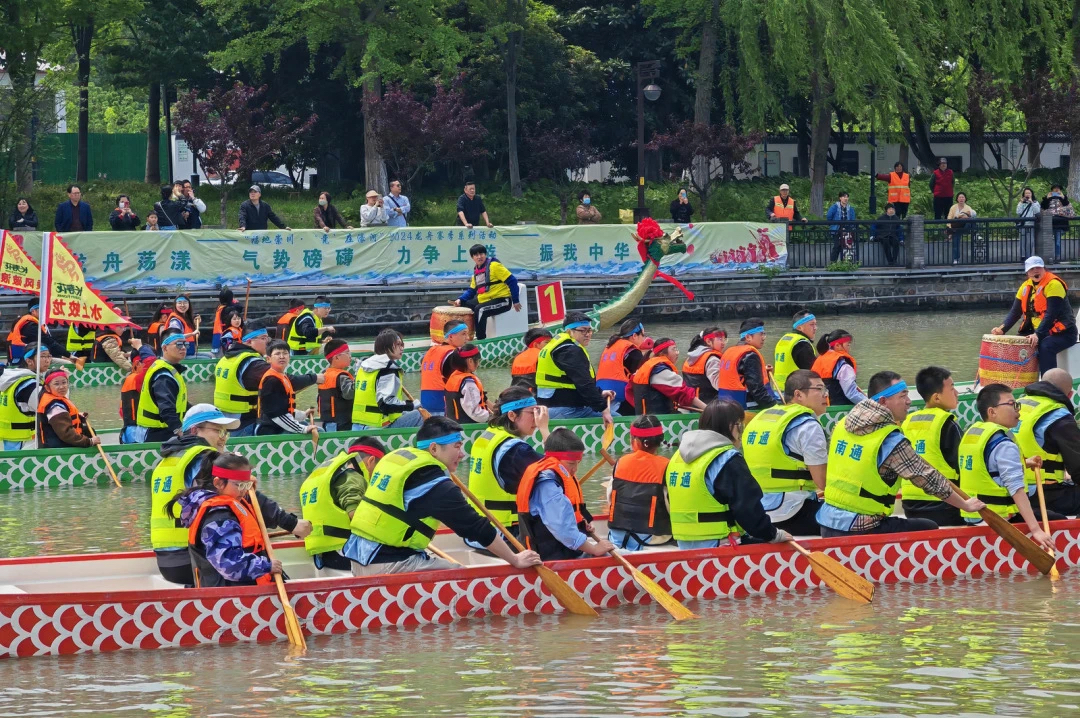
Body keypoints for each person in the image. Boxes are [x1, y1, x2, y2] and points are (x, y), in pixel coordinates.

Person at [343, 416, 542, 575]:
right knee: (463, 578)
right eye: (457, 446)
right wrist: (515, 559)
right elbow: (475, 527)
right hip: (387, 563)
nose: (462, 454)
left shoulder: (396, 458)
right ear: (434, 449)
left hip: (358, 559)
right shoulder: (434, 483)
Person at [816, 371, 986, 536]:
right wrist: (965, 505)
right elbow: (928, 479)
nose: (909, 402)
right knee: (929, 527)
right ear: (883, 401)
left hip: (826, 523)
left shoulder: (841, 424)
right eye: (903, 396)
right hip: (861, 527)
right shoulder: (889, 439)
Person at [667, 399, 792, 548]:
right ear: (729, 426)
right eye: (740, 425)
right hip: (722, 545)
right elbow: (747, 508)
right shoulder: (727, 459)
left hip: (685, 545)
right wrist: (772, 534)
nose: (741, 432)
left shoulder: (677, 457)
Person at [170, 453, 305, 588]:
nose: (244, 491)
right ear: (218, 483)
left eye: (247, 485)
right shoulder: (219, 517)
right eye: (239, 485)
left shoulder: (230, 501)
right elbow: (229, 564)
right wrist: (266, 566)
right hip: (227, 594)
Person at [150, 404, 241, 583]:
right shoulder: (204, 458)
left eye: (225, 432)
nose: (223, 438)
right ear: (194, 430)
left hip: (167, 561)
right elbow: (229, 500)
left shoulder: (168, 459)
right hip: (192, 559)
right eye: (218, 431)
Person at [959, 384, 1056, 550]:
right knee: (1057, 518)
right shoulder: (1004, 444)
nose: (1018, 410)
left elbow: (987, 468)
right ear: (992, 412)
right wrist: (1036, 530)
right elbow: (1016, 489)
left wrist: (1025, 463)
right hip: (999, 519)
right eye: (1012, 404)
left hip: (974, 516)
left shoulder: (974, 433)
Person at [742, 370, 829, 536]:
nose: (825, 395)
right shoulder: (808, 426)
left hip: (756, 511)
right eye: (819, 389)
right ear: (798, 394)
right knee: (854, 517)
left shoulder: (762, 417)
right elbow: (823, 482)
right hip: (790, 512)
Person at [466, 386, 549, 541]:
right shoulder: (515, 450)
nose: (537, 419)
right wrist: (544, 430)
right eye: (532, 413)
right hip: (503, 532)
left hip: (477, 528)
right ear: (512, 415)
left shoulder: (488, 435)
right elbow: (557, 471)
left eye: (538, 412)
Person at [515, 427, 612, 560]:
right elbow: (562, 528)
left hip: (565, 550)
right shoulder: (548, 484)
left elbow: (569, 512)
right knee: (609, 554)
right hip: (552, 556)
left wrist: (583, 521)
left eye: (578, 463)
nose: (575, 469)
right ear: (555, 459)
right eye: (571, 463)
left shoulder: (559, 474)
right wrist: (594, 549)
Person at [299, 437, 387, 571]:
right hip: (343, 554)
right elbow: (354, 514)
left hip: (323, 554)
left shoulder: (333, 476)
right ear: (371, 461)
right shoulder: (354, 478)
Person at [214, 320, 311, 436]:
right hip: (244, 425)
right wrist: (315, 378)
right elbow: (288, 383)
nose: (268, 342)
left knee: (300, 421)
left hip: (226, 425)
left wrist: (300, 414)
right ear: (249, 342)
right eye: (263, 338)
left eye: (267, 338)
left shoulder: (226, 359)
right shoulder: (254, 364)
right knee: (308, 429)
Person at [900, 366, 964, 527]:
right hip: (944, 506)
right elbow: (964, 466)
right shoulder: (947, 423)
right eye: (952, 388)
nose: (957, 393)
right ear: (936, 397)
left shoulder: (907, 422)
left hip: (909, 506)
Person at [991, 255, 1078, 374]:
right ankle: (1020, 379)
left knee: (1046, 345)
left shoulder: (1054, 284)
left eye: (1038, 267)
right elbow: (1015, 312)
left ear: (1044, 268)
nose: (1036, 271)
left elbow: (1051, 314)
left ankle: (1048, 380)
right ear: (1027, 273)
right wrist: (1002, 329)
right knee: (1015, 344)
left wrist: (1038, 334)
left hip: (1063, 333)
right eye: (1032, 269)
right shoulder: (1025, 286)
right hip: (1038, 331)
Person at [1014, 367, 1080, 517]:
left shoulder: (1017, 404)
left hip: (1011, 490)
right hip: (1042, 492)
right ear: (1070, 395)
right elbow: (1077, 465)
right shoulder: (1057, 415)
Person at [606, 415, 672, 550]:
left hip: (617, 536)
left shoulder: (620, 462)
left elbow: (610, 499)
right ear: (660, 441)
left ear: (634, 441)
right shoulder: (667, 466)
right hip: (651, 539)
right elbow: (672, 507)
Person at [535, 311, 614, 424]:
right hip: (564, 409)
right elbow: (584, 383)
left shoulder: (557, 346)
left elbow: (570, 381)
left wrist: (599, 392)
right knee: (616, 418)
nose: (587, 334)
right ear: (569, 331)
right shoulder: (569, 351)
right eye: (583, 330)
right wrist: (603, 409)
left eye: (589, 330)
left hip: (549, 406)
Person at [352, 328, 422, 429]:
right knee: (418, 415)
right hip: (378, 426)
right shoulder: (388, 369)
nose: (401, 348)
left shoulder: (363, 366)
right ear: (387, 347)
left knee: (405, 413)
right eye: (398, 344)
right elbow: (386, 404)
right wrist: (411, 405)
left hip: (358, 426)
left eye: (402, 344)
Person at [452, 244, 521, 341]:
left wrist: (516, 300)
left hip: (503, 300)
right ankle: (467, 335)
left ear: (485, 254)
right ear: (472, 257)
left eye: (481, 254)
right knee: (463, 305)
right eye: (476, 255)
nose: (479, 257)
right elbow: (471, 290)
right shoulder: (476, 270)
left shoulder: (494, 266)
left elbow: (512, 281)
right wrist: (460, 299)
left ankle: (481, 340)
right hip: (486, 300)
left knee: (480, 309)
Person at [255, 340, 321, 436]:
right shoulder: (272, 380)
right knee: (318, 432)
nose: (282, 356)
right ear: (268, 359)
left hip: (276, 426)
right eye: (277, 354)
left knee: (311, 426)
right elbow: (277, 415)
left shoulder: (282, 376)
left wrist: (302, 415)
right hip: (270, 430)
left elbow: (285, 409)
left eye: (285, 353)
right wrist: (303, 429)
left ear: (289, 357)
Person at [137, 330, 189, 443]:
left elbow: (180, 402)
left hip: (163, 429)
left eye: (186, 344)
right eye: (179, 344)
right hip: (157, 432)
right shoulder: (164, 376)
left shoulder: (168, 368)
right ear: (165, 348)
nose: (183, 348)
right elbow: (166, 410)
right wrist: (181, 432)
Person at [630, 337, 706, 415]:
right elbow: (684, 393)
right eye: (674, 349)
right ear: (662, 353)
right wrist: (707, 409)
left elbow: (629, 391)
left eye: (677, 349)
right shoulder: (659, 370)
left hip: (643, 416)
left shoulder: (647, 366)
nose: (677, 352)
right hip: (657, 418)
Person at [717, 318, 779, 410]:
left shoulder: (729, 352)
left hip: (726, 404)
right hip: (746, 407)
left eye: (764, 334)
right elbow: (757, 391)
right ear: (748, 337)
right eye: (761, 334)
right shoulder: (750, 356)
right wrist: (775, 407)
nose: (763, 337)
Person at [0, 343, 50, 450]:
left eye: (49, 356)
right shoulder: (30, 385)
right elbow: (50, 410)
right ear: (29, 361)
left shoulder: (11, 379)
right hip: (25, 442)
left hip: (11, 439)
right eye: (42, 356)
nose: (47, 360)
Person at [597, 319, 649, 415]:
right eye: (643, 335)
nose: (644, 338)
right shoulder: (634, 352)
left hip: (602, 393)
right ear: (634, 336)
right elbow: (643, 378)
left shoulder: (610, 346)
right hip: (621, 398)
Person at [36, 370, 99, 449]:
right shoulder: (55, 407)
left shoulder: (55, 398)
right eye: (56, 384)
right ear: (47, 388)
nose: (62, 387)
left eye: (64, 382)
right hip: (58, 449)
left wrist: (78, 416)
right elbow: (66, 433)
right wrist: (89, 441)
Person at [419, 319, 469, 416]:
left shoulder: (430, 351)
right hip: (444, 406)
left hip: (426, 406)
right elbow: (463, 385)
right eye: (463, 334)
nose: (467, 338)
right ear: (451, 336)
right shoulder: (453, 354)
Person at [811, 329, 866, 406]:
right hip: (839, 407)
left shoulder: (820, 359)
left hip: (822, 405)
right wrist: (872, 404)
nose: (849, 348)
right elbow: (851, 394)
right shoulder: (843, 365)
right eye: (848, 345)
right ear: (837, 345)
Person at [7, 298, 69, 363]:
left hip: (37, 357)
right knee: (69, 363)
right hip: (28, 361)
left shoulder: (30, 322)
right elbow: (50, 343)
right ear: (33, 311)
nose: (44, 312)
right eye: (41, 310)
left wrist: (61, 356)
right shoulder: (31, 326)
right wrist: (68, 355)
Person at [773, 310, 818, 393]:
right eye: (811, 324)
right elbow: (814, 372)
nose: (815, 328)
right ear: (799, 327)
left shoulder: (784, 339)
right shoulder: (801, 344)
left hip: (778, 390)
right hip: (796, 392)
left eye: (816, 324)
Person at [444, 344, 491, 423]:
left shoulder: (454, 377)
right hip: (468, 426)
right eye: (478, 361)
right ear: (470, 361)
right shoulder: (468, 383)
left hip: (453, 423)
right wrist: (491, 417)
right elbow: (475, 413)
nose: (478, 364)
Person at [119, 348, 156, 444]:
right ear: (137, 363)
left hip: (129, 431)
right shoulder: (138, 378)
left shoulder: (129, 378)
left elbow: (121, 411)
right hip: (140, 432)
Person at [317, 338, 355, 432]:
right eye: (347, 353)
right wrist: (360, 377)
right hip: (342, 424)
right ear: (336, 357)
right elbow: (350, 394)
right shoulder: (341, 376)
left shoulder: (324, 374)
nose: (350, 356)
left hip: (328, 422)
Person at [510, 327, 552, 393]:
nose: (551, 345)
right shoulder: (543, 355)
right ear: (535, 345)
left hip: (516, 393)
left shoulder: (517, 356)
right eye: (547, 342)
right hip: (535, 394)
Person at [1041, 185, 1075, 257]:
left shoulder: (1063, 198)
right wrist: (1047, 198)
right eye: (1055, 189)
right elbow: (1043, 207)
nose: (1056, 190)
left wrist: (1063, 198)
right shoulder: (1047, 198)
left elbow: (1067, 207)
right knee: (1048, 242)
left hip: (1060, 224)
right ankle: (1048, 257)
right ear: (1052, 190)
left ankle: (1057, 257)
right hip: (1049, 223)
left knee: (1058, 242)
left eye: (1058, 189)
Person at [947, 192, 976, 265]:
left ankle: (975, 233)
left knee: (971, 220)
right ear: (957, 199)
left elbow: (972, 216)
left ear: (965, 199)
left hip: (965, 226)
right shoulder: (953, 207)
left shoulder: (968, 208)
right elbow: (949, 218)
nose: (961, 199)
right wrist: (950, 227)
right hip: (956, 227)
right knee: (955, 243)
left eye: (963, 197)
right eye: (959, 197)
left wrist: (966, 217)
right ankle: (956, 259)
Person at [826, 191, 857, 262]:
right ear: (840, 198)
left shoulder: (850, 208)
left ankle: (846, 263)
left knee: (847, 247)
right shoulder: (834, 207)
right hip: (837, 229)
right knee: (837, 246)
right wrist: (833, 225)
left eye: (847, 197)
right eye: (844, 197)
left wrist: (851, 228)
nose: (846, 198)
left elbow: (853, 219)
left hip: (847, 230)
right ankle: (833, 263)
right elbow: (829, 217)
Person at [210, 288, 239, 356]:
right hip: (226, 333)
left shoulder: (220, 307)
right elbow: (239, 307)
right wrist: (235, 302)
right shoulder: (229, 308)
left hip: (221, 332)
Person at [1016, 186, 1040, 257]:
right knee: (1022, 241)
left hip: (1031, 224)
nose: (1027, 194)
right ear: (1024, 194)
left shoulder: (1035, 202)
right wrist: (1021, 203)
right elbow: (1018, 212)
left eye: (1029, 193)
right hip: (1022, 224)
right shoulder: (1021, 203)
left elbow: (1037, 211)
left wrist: (1032, 202)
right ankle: (1023, 256)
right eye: (1026, 193)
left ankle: (1030, 256)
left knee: (1030, 241)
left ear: (1031, 194)